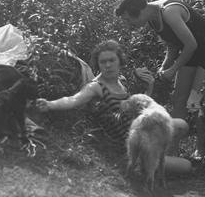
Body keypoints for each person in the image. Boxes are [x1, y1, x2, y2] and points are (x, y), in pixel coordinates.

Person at [35, 40, 191, 171]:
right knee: (187, 166)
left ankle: (155, 155)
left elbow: (138, 111)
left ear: (119, 62)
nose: (107, 65)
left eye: (111, 60)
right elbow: (73, 100)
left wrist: (149, 86)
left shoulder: (121, 81)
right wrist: (50, 104)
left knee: (182, 125)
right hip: (127, 143)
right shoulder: (95, 87)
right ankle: (141, 161)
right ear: (98, 64)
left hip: (142, 131)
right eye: (103, 62)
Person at [115, 0, 205, 123]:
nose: (128, 25)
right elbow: (173, 45)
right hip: (191, 50)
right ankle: (174, 140)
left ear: (139, 11)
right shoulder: (151, 17)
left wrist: (173, 70)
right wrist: (164, 67)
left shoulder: (169, 12)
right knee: (179, 99)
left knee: (196, 101)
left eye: (128, 19)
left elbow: (191, 45)